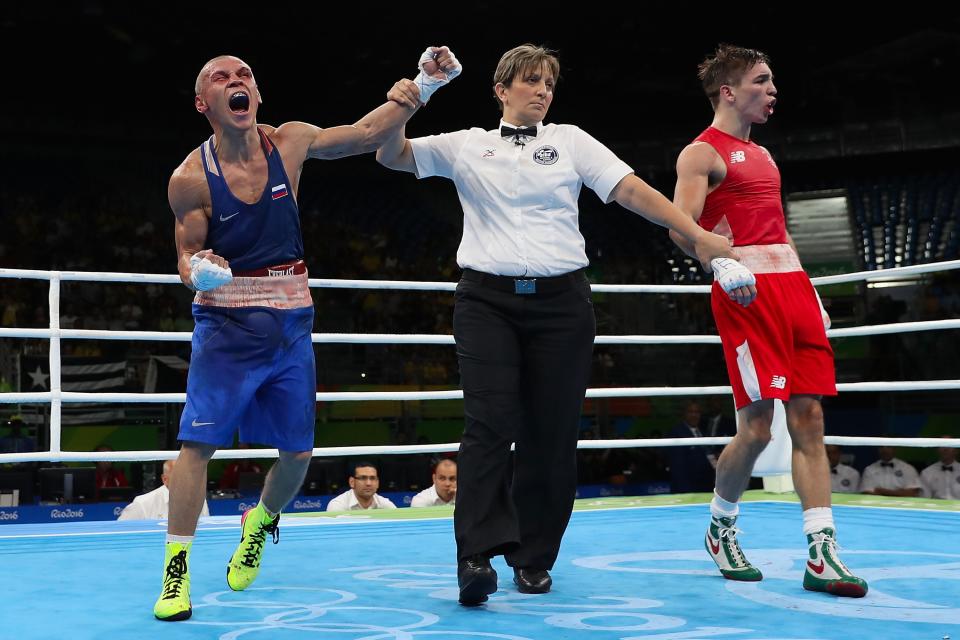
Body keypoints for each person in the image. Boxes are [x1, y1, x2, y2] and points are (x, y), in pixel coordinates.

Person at [376, 43, 750, 606]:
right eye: (530, 81)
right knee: (489, 424)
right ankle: (473, 557)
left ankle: (533, 557)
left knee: (551, 436)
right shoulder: (465, 146)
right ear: (501, 89)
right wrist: (417, 93)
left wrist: (697, 236)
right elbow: (390, 154)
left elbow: (632, 193)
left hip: (562, 305)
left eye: (549, 83)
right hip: (487, 302)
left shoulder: (571, 140)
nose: (543, 91)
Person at [154, 47, 459, 622]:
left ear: (257, 94)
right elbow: (185, 257)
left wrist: (425, 84)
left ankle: (260, 521)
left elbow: (368, 132)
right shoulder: (190, 179)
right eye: (221, 77)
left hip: (291, 318)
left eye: (244, 73)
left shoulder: (289, 141)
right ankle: (176, 570)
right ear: (204, 103)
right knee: (197, 446)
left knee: (298, 453)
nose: (236, 80)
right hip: (225, 323)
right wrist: (202, 271)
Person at [670, 44, 866, 597]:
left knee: (809, 420)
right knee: (756, 428)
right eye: (762, 80)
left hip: (791, 288)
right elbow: (678, 227)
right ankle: (720, 525)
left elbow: (779, 227)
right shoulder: (700, 153)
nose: (773, 89)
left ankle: (822, 553)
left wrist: (808, 285)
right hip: (746, 293)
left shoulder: (767, 156)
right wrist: (718, 262)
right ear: (729, 91)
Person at [118, 459, 209, 521]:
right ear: (165, 479)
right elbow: (120, 532)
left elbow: (206, 534)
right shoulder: (142, 503)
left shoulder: (199, 500)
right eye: (180, 476)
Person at [667, 401, 716, 493]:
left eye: (697, 412)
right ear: (684, 414)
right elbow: (678, 467)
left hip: (706, 487)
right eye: (691, 412)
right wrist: (685, 493)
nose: (694, 415)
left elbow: (709, 455)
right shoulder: (676, 433)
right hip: (688, 489)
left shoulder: (703, 432)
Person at [325, 461, 397, 511]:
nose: (368, 483)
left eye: (372, 478)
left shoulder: (385, 504)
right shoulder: (337, 506)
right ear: (352, 482)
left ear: (378, 483)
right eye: (363, 478)